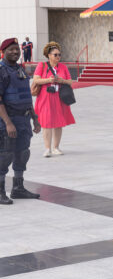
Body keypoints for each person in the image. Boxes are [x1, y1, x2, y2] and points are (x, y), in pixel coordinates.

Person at [0, 38, 41, 204]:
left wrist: (35, 119)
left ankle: (18, 188)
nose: (15, 52)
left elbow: (26, 96)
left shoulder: (20, 69)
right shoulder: (2, 70)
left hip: (24, 119)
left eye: (17, 49)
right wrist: (8, 123)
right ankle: (1, 191)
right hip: (7, 119)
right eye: (11, 49)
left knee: (22, 153)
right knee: (5, 154)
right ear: (3, 51)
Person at [33, 42, 75, 157]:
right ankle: (47, 149)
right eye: (55, 55)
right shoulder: (42, 65)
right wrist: (49, 80)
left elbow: (71, 82)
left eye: (59, 55)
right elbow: (36, 80)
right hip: (45, 98)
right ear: (49, 55)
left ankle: (56, 147)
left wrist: (61, 80)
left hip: (59, 97)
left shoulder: (63, 67)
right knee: (46, 123)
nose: (58, 57)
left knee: (58, 123)